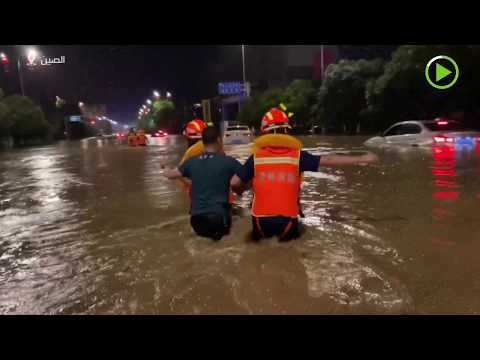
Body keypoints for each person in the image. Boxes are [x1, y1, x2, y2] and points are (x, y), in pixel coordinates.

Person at [230, 107, 379, 242]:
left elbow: (234, 183)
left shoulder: (255, 158)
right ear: (287, 130)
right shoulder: (298, 156)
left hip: (259, 223)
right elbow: (329, 159)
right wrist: (361, 158)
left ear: (264, 132)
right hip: (287, 222)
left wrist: (246, 188)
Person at [164, 126, 242, 241]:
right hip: (219, 219)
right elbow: (246, 176)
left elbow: (170, 175)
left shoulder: (191, 162)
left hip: (196, 221)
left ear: (203, 142)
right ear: (219, 140)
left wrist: (165, 168)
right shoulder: (228, 161)